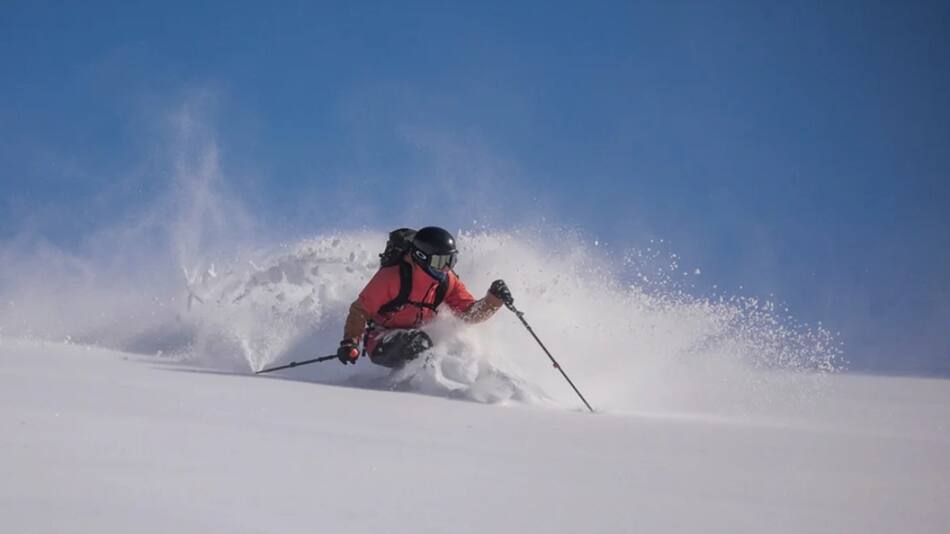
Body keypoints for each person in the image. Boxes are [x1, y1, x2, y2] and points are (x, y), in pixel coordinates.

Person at [337, 226, 513, 368]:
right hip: (381, 338)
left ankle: (453, 385)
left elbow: (468, 314)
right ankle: (417, 389)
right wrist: (350, 342)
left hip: (418, 334)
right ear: (421, 257)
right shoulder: (392, 278)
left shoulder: (448, 281)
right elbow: (360, 310)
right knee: (419, 344)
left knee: (456, 345)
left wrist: (493, 300)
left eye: (451, 261)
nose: (445, 268)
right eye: (439, 262)